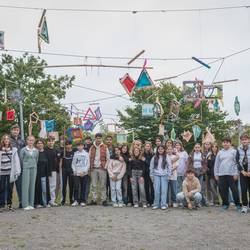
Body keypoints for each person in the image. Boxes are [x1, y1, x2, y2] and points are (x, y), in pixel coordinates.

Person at [214, 137, 241, 211]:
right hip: (222, 174)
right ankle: (225, 204)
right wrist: (216, 174)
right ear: (222, 143)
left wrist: (236, 173)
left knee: (234, 190)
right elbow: (217, 164)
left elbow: (237, 163)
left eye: (227, 142)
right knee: (223, 190)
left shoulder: (234, 152)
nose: (225, 144)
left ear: (230, 143)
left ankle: (238, 204)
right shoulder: (220, 152)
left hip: (232, 174)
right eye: (224, 142)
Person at [0, 134, 21, 211]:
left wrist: (17, 171)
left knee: (10, 188)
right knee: (1, 188)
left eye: (7, 139)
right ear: (3, 140)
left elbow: (16, 161)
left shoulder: (14, 150)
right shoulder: (0, 149)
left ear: (9, 140)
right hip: (2, 172)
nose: (6, 140)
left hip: (10, 172)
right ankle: (1, 205)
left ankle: (9, 204)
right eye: (5, 139)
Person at [89, 133, 110, 206]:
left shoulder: (105, 147)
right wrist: (90, 168)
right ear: (95, 138)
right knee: (94, 185)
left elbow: (108, 158)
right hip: (94, 169)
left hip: (102, 168)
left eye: (100, 138)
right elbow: (89, 158)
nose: (98, 139)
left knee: (103, 185)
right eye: (97, 138)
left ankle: (103, 200)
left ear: (101, 139)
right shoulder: (92, 147)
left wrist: (105, 167)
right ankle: (94, 200)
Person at [20, 135, 39, 210]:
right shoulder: (23, 150)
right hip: (26, 169)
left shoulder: (36, 150)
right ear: (27, 141)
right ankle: (25, 204)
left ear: (34, 141)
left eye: (32, 140)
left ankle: (31, 204)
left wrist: (33, 165)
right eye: (29, 140)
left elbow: (36, 160)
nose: (30, 142)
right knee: (25, 186)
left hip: (34, 168)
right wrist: (25, 165)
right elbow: (21, 160)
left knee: (32, 186)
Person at [10, 124, 25, 208]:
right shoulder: (8, 140)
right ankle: (8, 203)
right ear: (11, 131)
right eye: (14, 130)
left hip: (20, 165)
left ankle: (21, 202)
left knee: (20, 185)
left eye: (17, 130)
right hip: (11, 166)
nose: (15, 131)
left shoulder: (22, 141)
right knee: (9, 185)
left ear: (19, 131)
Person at [150, 145, 169, 210]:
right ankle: (156, 204)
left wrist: (168, 175)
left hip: (164, 175)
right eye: (159, 149)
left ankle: (163, 204)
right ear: (157, 150)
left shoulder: (166, 157)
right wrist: (151, 175)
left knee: (164, 190)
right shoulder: (154, 157)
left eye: (162, 149)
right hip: (156, 175)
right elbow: (151, 167)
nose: (160, 150)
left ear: (164, 150)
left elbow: (170, 166)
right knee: (156, 190)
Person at [71, 141, 89, 207]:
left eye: (81, 145)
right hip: (76, 173)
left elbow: (88, 163)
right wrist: (74, 170)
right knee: (76, 187)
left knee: (83, 187)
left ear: (83, 146)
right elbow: (73, 163)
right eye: (78, 146)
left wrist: (84, 171)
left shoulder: (86, 154)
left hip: (84, 173)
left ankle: (83, 200)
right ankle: (76, 200)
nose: (79, 147)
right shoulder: (75, 153)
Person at [236, 134, 250, 213]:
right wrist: (242, 171)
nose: (244, 141)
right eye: (243, 139)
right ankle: (244, 206)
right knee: (243, 190)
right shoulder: (238, 149)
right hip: (243, 173)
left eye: (246, 139)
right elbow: (237, 161)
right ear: (241, 141)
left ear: (249, 140)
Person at [35, 139, 50, 208]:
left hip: (44, 174)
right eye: (38, 143)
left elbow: (48, 164)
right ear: (36, 145)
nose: (40, 144)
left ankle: (45, 203)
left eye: (41, 143)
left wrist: (48, 174)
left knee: (44, 189)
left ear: (43, 144)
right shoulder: (35, 152)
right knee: (38, 189)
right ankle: (38, 203)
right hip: (36, 175)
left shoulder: (46, 153)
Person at [60, 141, 75, 205]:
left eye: (69, 144)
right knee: (64, 185)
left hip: (71, 170)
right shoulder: (63, 152)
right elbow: (60, 162)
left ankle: (71, 200)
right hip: (64, 170)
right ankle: (63, 200)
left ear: (71, 145)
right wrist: (60, 169)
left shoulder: (74, 152)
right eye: (67, 145)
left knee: (71, 185)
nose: (68, 146)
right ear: (65, 146)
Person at [46, 137, 58, 206]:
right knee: (47, 187)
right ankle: (47, 201)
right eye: (49, 141)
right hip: (46, 171)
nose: (51, 142)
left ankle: (52, 200)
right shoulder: (45, 150)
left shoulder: (55, 150)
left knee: (53, 186)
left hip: (53, 170)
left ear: (54, 142)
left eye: (52, 141)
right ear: (47, 142)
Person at [143, 141, 154, 206]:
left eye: (149, 146)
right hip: (145, 172)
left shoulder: (153, 154)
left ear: (150, 147)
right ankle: (147, 201)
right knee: (146, 187)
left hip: (151, 172)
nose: (147, 147)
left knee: (152, 187)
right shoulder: (143, 154)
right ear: (145, 147)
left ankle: (152, 201)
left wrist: (145, 160)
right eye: (146, 146)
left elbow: (151, 164)